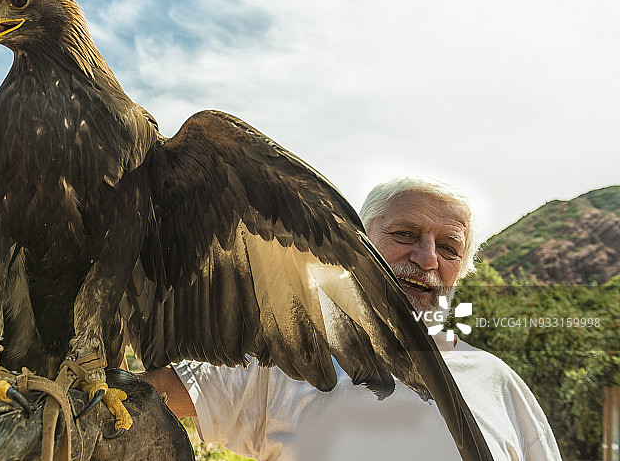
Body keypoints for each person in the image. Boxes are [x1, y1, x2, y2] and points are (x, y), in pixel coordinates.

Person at [143, 176, 561, 460]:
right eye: (404, 235)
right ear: (356, 247)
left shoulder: (497, 380)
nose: (428, 258)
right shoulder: (288, 357)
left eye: (449, 248)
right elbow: (142, 397)